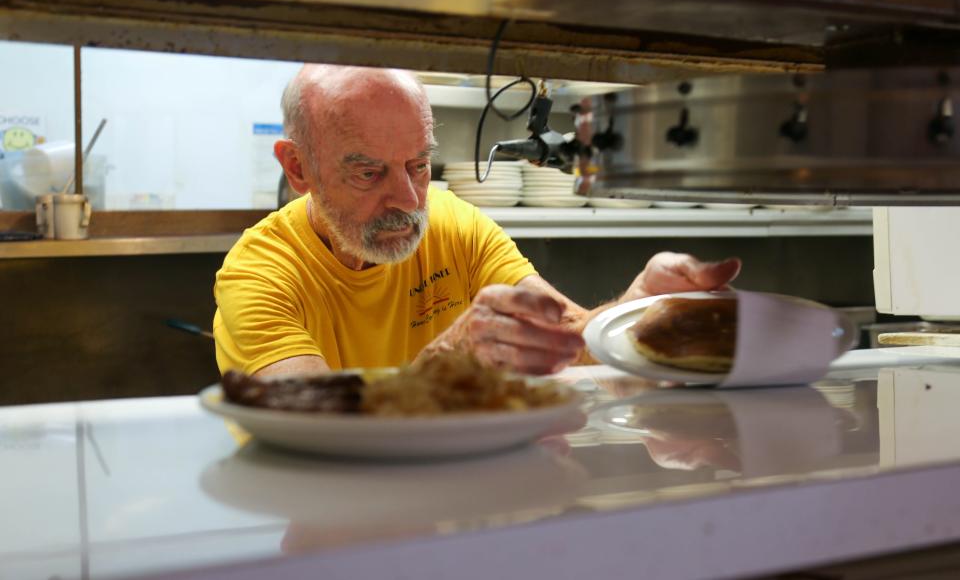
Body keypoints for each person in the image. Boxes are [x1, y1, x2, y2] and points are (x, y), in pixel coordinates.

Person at [213, 64, 741, 379]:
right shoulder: (260, 273)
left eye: (419, 166)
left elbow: (566, 339)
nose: (407, 198)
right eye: (369, 172)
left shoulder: (453, 225)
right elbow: (320, 433)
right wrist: (446, 360)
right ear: (298, 167)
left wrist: (640, 309)